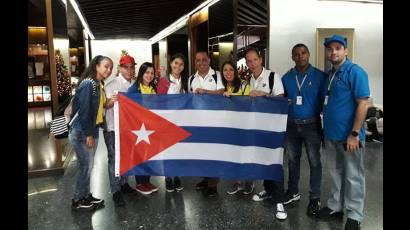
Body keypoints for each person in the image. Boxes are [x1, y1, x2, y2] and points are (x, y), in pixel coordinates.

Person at [317, 35, 370, 230]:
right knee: (336, 172)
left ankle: (355, 214)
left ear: (346, 51)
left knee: (353, 175)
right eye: (330, 49)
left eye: (338, 48)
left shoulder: (355, 72)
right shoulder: (330, 75)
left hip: (350, 137)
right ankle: (336, 206)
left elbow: (363, 103)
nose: (333, 52)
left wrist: (355, 133)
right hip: (331, 134)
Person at [281, 43, 327, 217]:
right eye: (296, 54)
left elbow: (326, 101)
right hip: (292, 125)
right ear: (292, 57)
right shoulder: (286, 78)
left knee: (315, 162)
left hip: (312, 125)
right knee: (293, 160)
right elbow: (282, 100)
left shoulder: (320, 76)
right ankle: (293, 192)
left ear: (308, 54)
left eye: (303, 53)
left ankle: (314, 198)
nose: (300, 57)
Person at [245, 47, 287, 220]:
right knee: (263, 160)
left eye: (255, 60)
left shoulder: (272, 77)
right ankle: (268, 190)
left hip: (273, 128)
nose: (252, 63)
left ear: (260, 60)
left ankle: (279, 200)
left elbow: (281, 100)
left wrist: (263, 94)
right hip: (258, 127)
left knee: (275, 161)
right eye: (249, 61)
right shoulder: (250, 79)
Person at [69, 55, 113, 210]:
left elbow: (98, 108)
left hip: (90, 130)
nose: (109, 70)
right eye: (106, 66)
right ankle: (77, 199)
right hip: (82, 131)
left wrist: (110, 102)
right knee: (85, 166)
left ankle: (85, 195)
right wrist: (88, 135)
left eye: (110, 68)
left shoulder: (98, 84)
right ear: (97, 66)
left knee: (88, 165)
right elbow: (85, 111)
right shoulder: (89, 84)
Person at [103, 54, 138, 206]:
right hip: (112, 128)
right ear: (119, 68)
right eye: (126, 67)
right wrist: (110, 102)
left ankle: (124, 183)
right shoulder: (111, 85)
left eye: (131, 67)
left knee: (127, 158)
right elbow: (104, 107)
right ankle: (116, 191)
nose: (129, 70)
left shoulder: (135, 85)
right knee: (113, 160)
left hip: (129, 129)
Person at [189, 51, 224, 197]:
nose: (201, 62)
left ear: (209, 60)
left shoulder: (217, 75)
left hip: (215, 121)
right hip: (198, 122)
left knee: (214, 153)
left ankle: (213, 185)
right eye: (198, 60)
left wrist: (206, 92)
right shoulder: (191, 78)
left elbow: (222, 91)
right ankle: (206, 178)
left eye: (204, 59)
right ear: (195, 62)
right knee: (202, 153)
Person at [220, 60, 254, 196]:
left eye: (231, 70)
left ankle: (249, 181)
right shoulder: (224, 87)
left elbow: (246, 100)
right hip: (231, 125)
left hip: (244, 125)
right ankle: (238, 182)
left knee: (246, 154)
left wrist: (231, 96)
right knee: (234, 155)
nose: (228, 73)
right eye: (225, 70)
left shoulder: (244, 84)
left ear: (235, 71)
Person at [156, 53, 189, 192]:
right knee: (167, 151)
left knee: (179, 152)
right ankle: (168, 178)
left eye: (181, 64)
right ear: (170, 64)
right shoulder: (164, 81)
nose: (178, 66)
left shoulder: (185, 81)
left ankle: (177, 176)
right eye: (176, 63)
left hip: (181, 122)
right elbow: (159, 103)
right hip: (166, 122)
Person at [127, 62, 159, 195]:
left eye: (152, 73)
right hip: (138, 129)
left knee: (149, 156)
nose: (149, 75)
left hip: (151, 127)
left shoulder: (153, 88)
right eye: (147, 72)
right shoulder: (134, 89)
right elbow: (128, 108)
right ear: (141, 73)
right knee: (139, 156)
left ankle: (147, 181)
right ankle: (140, 183)